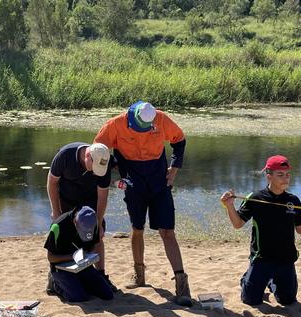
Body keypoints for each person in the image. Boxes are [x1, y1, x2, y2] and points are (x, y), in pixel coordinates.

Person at [94, 101, 191, 305]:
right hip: (133, 180)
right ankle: (139, 275)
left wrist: (173, 169)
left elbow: (179, 141)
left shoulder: (161, 119)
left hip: (159, 179)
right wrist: (116, 168)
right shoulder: (115, 124)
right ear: (131, 117)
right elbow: (98, 150)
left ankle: (182, 284)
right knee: (137, 228)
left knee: (167, 231)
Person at [220, 155, 301, 306]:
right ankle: (247, 279)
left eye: (288, 174)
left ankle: (270, 281)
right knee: (251, 301)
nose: (285, 178)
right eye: (280, 174)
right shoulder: (255, 197)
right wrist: (230, 206)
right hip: (262, 259)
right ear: (269, 176)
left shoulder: (293, 200)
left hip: (286, 260)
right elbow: (238, 224)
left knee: (287, 301)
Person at [47, 142, 114, 288]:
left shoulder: (104, 162)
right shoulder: (65, 155)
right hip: (65, 199)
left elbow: (102, 196)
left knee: (97, 236)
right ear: (87, 156)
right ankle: (54, 275)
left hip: (90, 200)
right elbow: (52, 183)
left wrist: (98, 222)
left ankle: (101, 274)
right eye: (94, 167)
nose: (96, 172)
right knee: (63, 236)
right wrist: (57, 212)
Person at [44, 206, 114, 302]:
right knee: (79, 298)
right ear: (75, 222)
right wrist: (72, 257)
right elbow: (51, 257)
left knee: (107, 294)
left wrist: (88, 256)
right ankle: (54, 283)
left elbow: (92, 246)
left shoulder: (94, 223)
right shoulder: (58, 226)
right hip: (60, 268)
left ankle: (79, 284)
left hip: (83, 266)